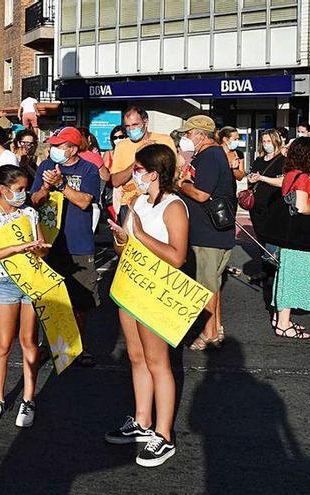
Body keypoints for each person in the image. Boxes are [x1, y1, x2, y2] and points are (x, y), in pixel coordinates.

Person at [105, 144, 187, 468]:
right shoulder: (138, 201)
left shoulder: (174, 206)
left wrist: (139, 233)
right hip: (131, 285)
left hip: (158, 290)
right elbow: (124, 247)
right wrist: (122, 238)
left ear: (154, 172)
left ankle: (163, 434)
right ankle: (142, 419)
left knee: (158, 362)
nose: (134, 175)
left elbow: (177, 256)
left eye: (139, 169)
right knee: (136, 357)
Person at [0, 165, 49, 428]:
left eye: (25, 189)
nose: (24, 194)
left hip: (31, 282)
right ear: (4, 190)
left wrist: (39, 249)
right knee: (2, 344)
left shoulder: (30, 214)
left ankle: (28, 399)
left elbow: (41, 250)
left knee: (29, 341)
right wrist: (13, 248)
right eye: (19, 190)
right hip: (4, 283)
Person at [30, 127, 101, 367]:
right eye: (52, 145)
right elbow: (34, 201)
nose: (53, 150)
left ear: (72, 148)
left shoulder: (89, 169)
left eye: (58, 146)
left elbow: (84, 202)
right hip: (50, 242)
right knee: (48, 297)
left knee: (80, 300)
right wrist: (45, 188)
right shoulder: (45, 167)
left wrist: (62, 185)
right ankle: (47, 344)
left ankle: (78, 347)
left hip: (79, 243)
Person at [248, 137, 310, 339]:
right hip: (299, 236)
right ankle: (283, 323)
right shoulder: (303, 178)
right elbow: (300, 207)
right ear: (307, 156)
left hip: (287, 235)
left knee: (285, 275)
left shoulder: (291, 174)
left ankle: (280, 318)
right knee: (293, 277)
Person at [175, 115, 235, 351]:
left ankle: (208, 332)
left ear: (201, 134)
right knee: (213, 283)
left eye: (188, 134)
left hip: (208, 233)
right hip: (214, 232)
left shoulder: (209, 155)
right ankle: (216, 327)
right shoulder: (212, 154)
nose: (185, 138)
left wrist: (182, 185)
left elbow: (201, 194)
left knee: (205, 286)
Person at [110, 106, 177, 212]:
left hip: (159, 202)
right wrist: (137, 160)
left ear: (145, 122)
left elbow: (173, 173)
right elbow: (115, 181)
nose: (131, 129)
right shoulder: (121, 146)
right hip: (129, 205)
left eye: (135, 125)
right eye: (127, 126)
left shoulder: (164, 140)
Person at [247, 129, 287, 284]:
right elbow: (251, 177)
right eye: (263, 141)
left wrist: (262, 178)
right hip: (257, 205)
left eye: (268, 141)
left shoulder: (282, 161)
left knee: (273, 239)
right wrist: (251, 179)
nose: (266, 144)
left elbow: (282, 181)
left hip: (274, 205)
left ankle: (274, 271)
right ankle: (265, 270)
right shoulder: (259, 160)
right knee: (261, 238)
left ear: (276, 141)